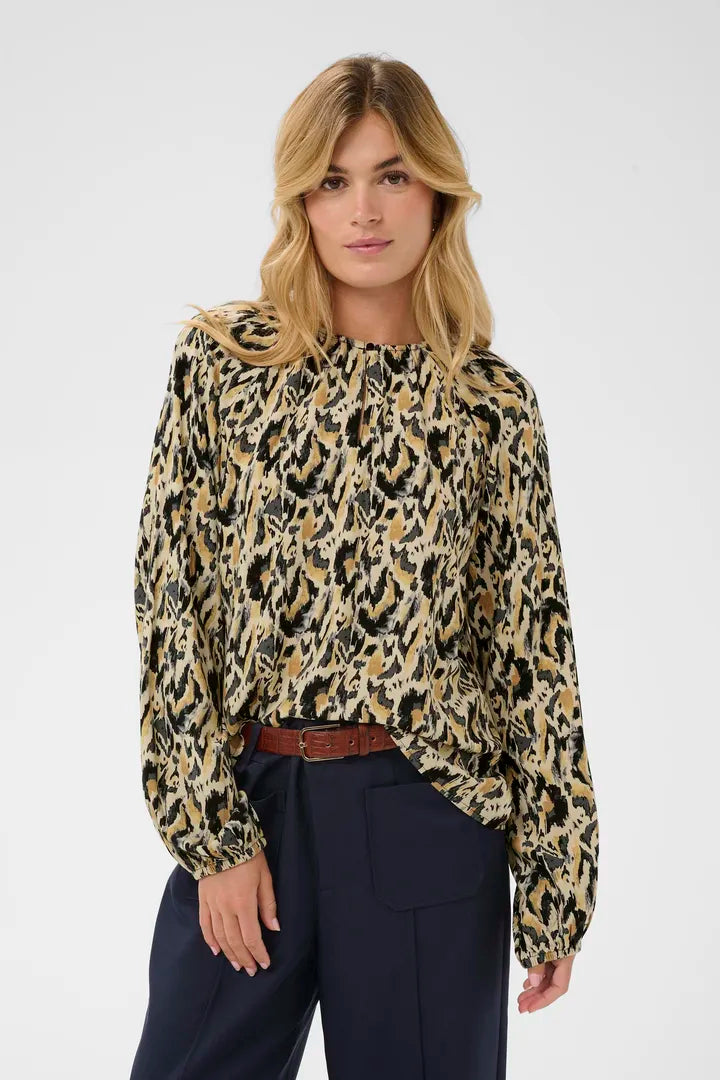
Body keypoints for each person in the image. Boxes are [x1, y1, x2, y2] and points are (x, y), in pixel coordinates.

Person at [129, 54, 599, 1080]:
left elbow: (531, 650)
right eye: (333, 181)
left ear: (438, 191)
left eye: (393, 175)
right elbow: (171, 607)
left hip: (427, 815)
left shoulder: (490, 406)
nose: (365, 210)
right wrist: (214, 839)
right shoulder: (223, 368)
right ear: (301, 200)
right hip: (256, 798)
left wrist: (556, 881)